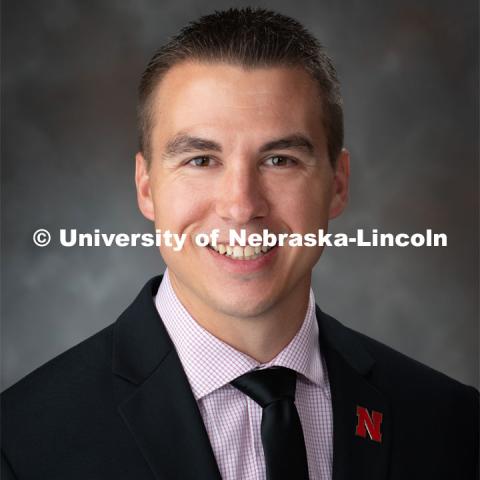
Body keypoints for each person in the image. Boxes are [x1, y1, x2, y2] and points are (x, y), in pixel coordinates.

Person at [1, 8, 477, 480]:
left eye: (280, 160)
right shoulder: (21, 443)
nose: (241, 205)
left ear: (337, 184)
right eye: (202, 160)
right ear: (146, 187)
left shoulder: (454, 426)